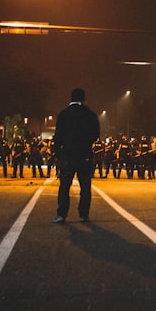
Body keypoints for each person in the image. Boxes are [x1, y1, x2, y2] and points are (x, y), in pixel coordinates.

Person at [53, 88, 101, 223]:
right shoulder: (90, 114)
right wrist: (86, 143)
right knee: (85, 186)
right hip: (84, 154)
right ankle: (84, 214)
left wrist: (57, 153)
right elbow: (96, 134)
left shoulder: (64, 114)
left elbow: (58, 135)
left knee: (64, 186)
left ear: (71, 98)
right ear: (83, 99)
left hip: (68, 154)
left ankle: (62, 213)